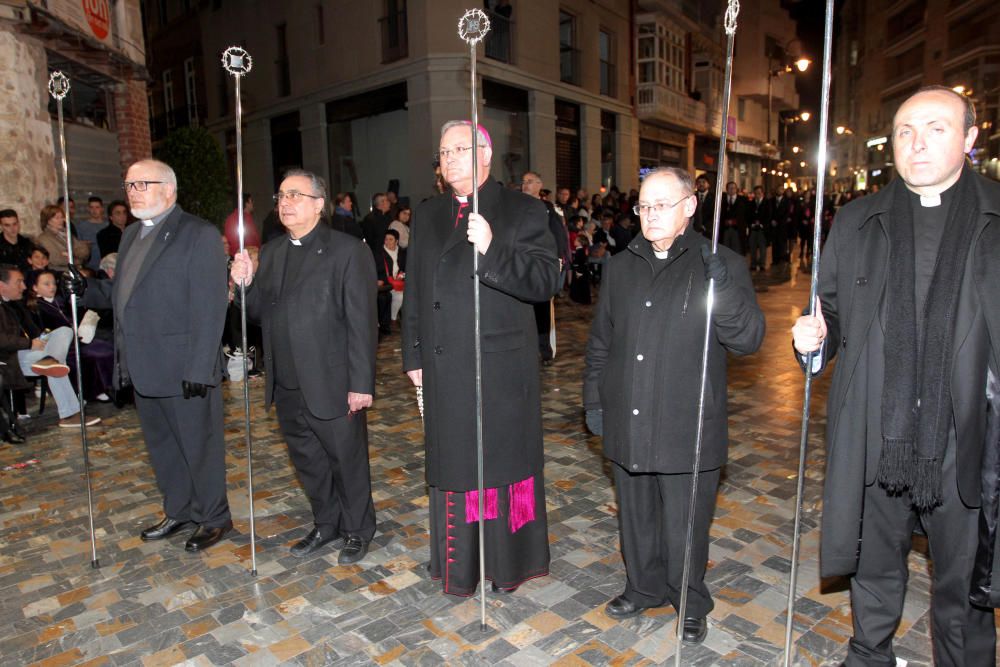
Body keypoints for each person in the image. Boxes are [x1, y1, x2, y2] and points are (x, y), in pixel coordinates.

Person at [791, 86, 1000, 665]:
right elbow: (828, 311)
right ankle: (868, 654)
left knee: (963, 587)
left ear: (970, 139)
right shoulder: (858, 221)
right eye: (905, 131)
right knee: (874, 567)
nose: (917, 143)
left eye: (935, 128)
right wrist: (812, 338)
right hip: (875, 434)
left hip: (966, 440)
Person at [583, 167, 764, 644]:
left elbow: (747, 339)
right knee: (635, 514)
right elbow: (601, 343)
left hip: (689, 423)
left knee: (685, 523)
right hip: (628, 415)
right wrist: (594, 401)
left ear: (690, 206)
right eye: (644, 205)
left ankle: (689, 599)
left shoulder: (718, 263)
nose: (651, 214)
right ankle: (642, 587)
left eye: (663, 204)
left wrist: (722, 288)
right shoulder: (621, 267)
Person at [403, 120, 560, 595]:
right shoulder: (428, 214)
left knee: (501, 465)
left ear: (486, 156)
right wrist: (413, 353)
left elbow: (545, 282)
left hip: (500, 368)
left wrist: (491, 249)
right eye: (443, 152)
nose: (449, 158)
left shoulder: (524, 210)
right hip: (444, 365)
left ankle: (507, 565)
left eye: (460, 149)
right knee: (456, 463)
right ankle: (462, 565)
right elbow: (414, 291)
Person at [66, 159, 232, 552]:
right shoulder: (131, 236)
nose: (134, 191)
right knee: (162, 446)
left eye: (143, 183)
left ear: (169, 190)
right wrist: (84, 288)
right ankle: (180, 509)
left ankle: (213, 517)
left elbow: (210, 307)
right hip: (144, 362)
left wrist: (200, 364)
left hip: (186, 365)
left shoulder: (198, 234)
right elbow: (124, 295)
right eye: (129, 185)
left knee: (198, 445)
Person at [230, 168, 377, 564]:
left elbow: (363, 323)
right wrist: (243, 286)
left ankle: (358, 529)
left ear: (318, 204)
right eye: (280, 196)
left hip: (333, 379)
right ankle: (326, 523)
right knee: (308, 461)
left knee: (346, 460)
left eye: (295, 195)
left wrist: (361, 383)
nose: (285, 203)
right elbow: (258, 314)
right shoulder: (274, 251)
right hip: (288, 381)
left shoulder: (348, 251)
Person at [0, 265, 99, 427]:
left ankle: (51, 360)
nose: (24, 286)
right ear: (1, 285)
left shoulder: (16, 304)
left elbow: (35, 331)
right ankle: (69, 415)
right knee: (54, 364)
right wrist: (30, 343)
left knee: (64, 331)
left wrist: (42, 339)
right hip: (10, 359)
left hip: (31, 350)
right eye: (19, 282)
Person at [35, 204, 89, 271]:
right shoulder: (43, 238)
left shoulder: (67, 234)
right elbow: (57, 259)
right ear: (48, 220)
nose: (61, 220)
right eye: (57, 218)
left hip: (77, 271)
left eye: (62, 217)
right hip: (60, 273)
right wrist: (79, 260)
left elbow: (85, 251)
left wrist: (70, 253)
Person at [376, 228, 406, 333]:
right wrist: (380, 279)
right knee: (384, 297)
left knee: (400, 296)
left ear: (396, 241)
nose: (387, 241)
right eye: (386, 239)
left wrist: (402, 275)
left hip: (398, 283)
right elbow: (376, 270)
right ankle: (382, 322)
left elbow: (406, 268)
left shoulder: (402, 252)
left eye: (390, 239)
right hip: (385, 284)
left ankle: (393, 319)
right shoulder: (379, 253)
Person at [223, 193, 260, 258]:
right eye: (251, 201)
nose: (253, 204)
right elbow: (252, 240)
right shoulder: (245, 218)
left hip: (233, 256)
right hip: (247, 257)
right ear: (246, 204)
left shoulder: (230, 218)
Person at [77, 196, 108, 272]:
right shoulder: (81, 227)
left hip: (106, 265)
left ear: (102, 209)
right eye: (91, 207)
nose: (94, 210)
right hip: (88, 267)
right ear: (88, 209)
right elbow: (78, 247)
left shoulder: (108, 226)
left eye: (97, 207)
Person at [747, 186, 770, 271]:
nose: (757, 195)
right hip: (753, 228)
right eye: (756, 193)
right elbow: (748, 215)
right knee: (752, 247)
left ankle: (762, 264)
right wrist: (752, 223)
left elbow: (768, 215)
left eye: (759, 193)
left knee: (762, 247)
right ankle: (753, 264)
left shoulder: (767, 203)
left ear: (762, 193)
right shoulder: (751, 203)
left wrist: (761, 223)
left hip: (762, 229)